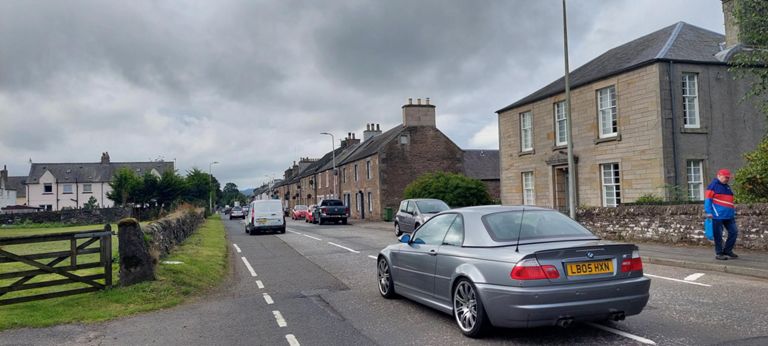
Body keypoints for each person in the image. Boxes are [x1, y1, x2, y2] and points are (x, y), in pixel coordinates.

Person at [704, 169, 738, 260]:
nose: (727, 179)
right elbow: (708, 200)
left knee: (734, 232)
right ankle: (719, 253)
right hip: (717, 215)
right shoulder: (713, 186)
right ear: (719, 175)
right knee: (718, 235)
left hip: (729, 215)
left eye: (728, 177)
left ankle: (727, 250)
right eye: (725, 177)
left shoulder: (726, 186)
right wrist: (708, 212)